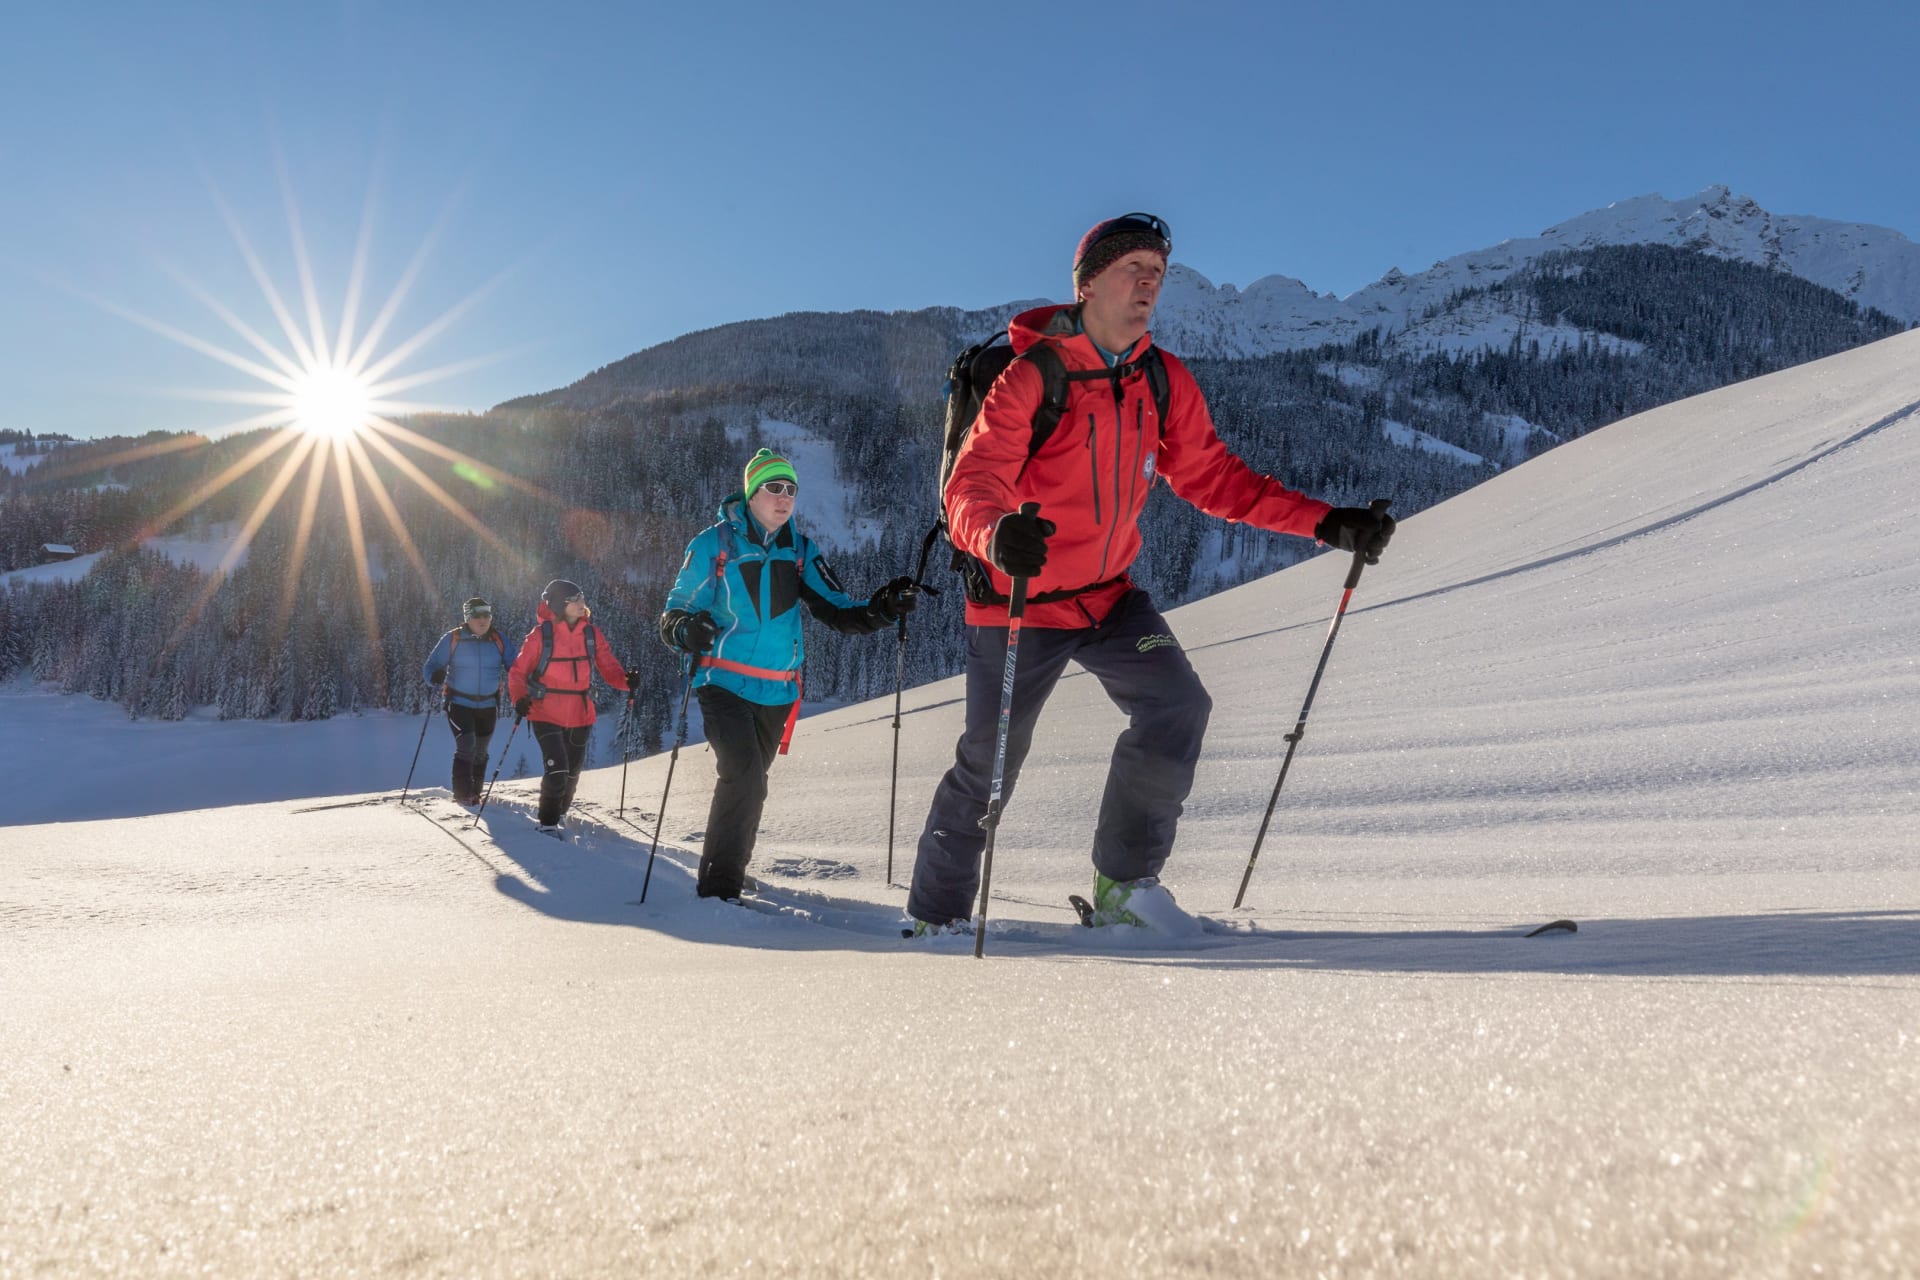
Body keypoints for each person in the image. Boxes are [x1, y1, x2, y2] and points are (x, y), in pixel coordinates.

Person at [906, 212, 1396, 936]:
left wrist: (1325, 522)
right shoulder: (1032, 376)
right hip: (1020, 598)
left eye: (1157, 271)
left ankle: (1124, 888)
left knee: (1177, 707)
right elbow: (972, 484)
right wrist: (998, 534)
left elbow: (1213, 478)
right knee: (990, 761)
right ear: (1087, 283)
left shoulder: (1159, 378)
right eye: (1131, 268)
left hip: (1109, 599)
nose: (1147, 282)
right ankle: (936, 918)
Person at [659, 448, 919, 901]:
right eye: (774, 488)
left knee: (753, 785)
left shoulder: (800, 550)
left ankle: (729, 871)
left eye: (791, 490)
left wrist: (882, 609)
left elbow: (837, 610)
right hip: (722, 682)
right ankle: (719, 890)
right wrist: (685, 629)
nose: (784, 498)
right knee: (743, 776)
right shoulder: (713, 545)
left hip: (778, 692)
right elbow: (675, 610)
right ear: (751, 493)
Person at [505, 579, 640, 833]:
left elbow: (609, 667)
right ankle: (547, 825)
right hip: (544, 711)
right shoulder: (540, 636)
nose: (581, 603)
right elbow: (518, 672)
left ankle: (559, 815)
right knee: (557, 768)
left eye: (582, 598)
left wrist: (626, 681)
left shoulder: (591, 634)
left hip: (580, 713)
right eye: (574, 599)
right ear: (559, 605)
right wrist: (519, 698)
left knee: (572, 774)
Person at [421, 596, 509, 805]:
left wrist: (528, 683)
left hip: (488, 705)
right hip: (459, 703)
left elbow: (516, 665)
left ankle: (475, 794)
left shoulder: (498, 640)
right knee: (467, 745)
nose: (483, 619)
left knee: (481, 751)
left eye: (487, 614)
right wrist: (434, 676)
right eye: (478, 615)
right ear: (468, 617)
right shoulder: (453, 638)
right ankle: (462, 795)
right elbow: (430, 666)